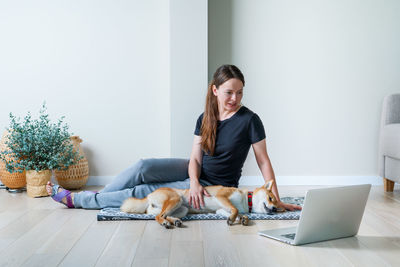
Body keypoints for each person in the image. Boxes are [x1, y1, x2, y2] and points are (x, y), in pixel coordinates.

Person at [47, 64, 302, 212]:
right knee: (143, 167)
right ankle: (102, 196)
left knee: (143, 191)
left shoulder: (250, 120)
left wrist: (276, 200)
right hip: (196, 173)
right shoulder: (205, 118)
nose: (234, 98)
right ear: (215, 90)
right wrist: (192, 182)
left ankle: (79, 200)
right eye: (228, 92)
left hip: (218, 184)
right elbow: (194, 158)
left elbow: (264, 162)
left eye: (239, 93)